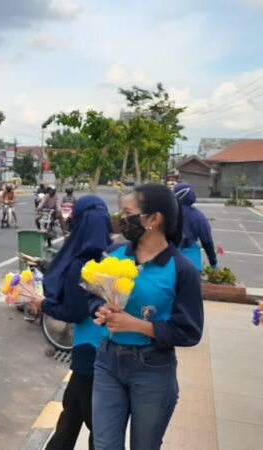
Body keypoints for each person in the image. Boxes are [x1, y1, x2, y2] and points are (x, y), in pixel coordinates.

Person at [91, 183, 203, 450]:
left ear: (153, 219)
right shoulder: (115, 255)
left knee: (145, 445)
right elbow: (93, 296)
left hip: (153, 369)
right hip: (107, 362)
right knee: (104, 445)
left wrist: (138, 326)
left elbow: (190, 331)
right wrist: (100, 309)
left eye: (128, 213)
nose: (121, 219)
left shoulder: (181, 269)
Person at [27, 196, 112, 450]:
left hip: (89, 350)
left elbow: (74, 311)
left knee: (97, 426)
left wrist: (43, 303)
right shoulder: (112, 257)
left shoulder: (81, 262)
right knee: (71, 414)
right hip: (108, 347)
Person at [173, 183, 217, 271]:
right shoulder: (197, 216)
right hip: (191, 260)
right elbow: (207, 241)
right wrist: (213, 263)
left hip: (170, 258)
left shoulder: (168, 213)